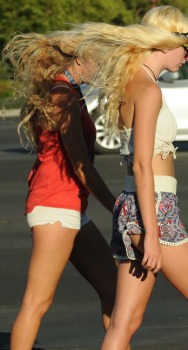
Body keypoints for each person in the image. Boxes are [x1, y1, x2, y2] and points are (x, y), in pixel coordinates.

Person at [75, 5, 188, 350]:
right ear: (166, 43)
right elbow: (143, 165)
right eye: (187, 48)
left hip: (133, 206)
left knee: (124, 323)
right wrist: (154, 235)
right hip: (153, 209)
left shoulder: (129, 84)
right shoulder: (149, 90)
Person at [2, 29, 118, 350]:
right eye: (100, 61)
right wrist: (118, 207)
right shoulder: (62, 94)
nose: (104, 68)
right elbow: (81, 166)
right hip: (55, 205)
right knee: (37, 303)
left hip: (70, 207)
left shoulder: (69, 90)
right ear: (81, 58)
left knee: (115, 292)